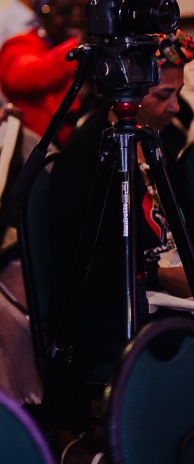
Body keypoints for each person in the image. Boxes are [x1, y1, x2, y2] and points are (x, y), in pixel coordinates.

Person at [48, 30, 194, 434]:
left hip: (165, 295)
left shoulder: (165, 140)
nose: (174, 107)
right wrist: (162, 277)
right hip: (110, 307)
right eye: (163, 95)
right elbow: (77, 267)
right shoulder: (87, 155)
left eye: (177, 93)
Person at [0, 0, 93, 144]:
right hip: (40, 153)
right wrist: (82, 43)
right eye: (64, 11)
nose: (76, 18)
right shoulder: (19, 44)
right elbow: (29, 75)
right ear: (41, 12)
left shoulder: (94, 46)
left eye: (84, 10)